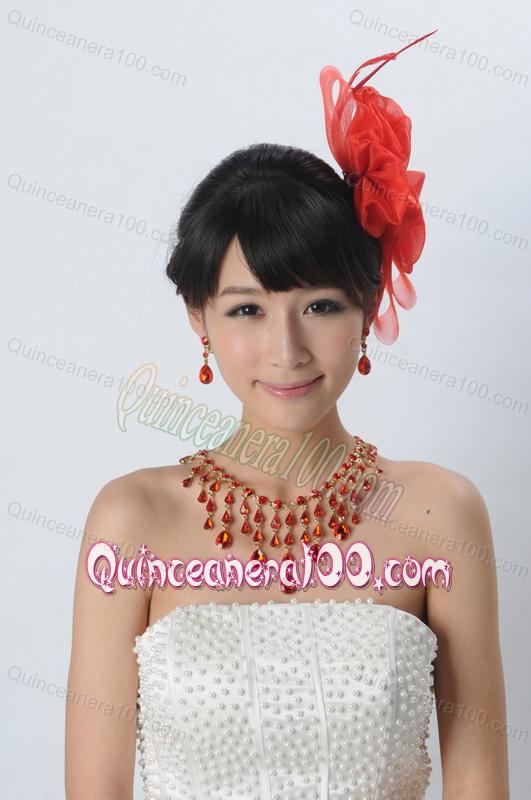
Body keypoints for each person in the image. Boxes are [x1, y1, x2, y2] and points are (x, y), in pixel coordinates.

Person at [65, 32, 510, 800]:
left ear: (367, 306)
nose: (286, 349)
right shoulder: (130, 519)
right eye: (247, 309)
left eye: (320, 305)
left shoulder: (441, 514)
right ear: (199, 318)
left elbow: (478, 783)